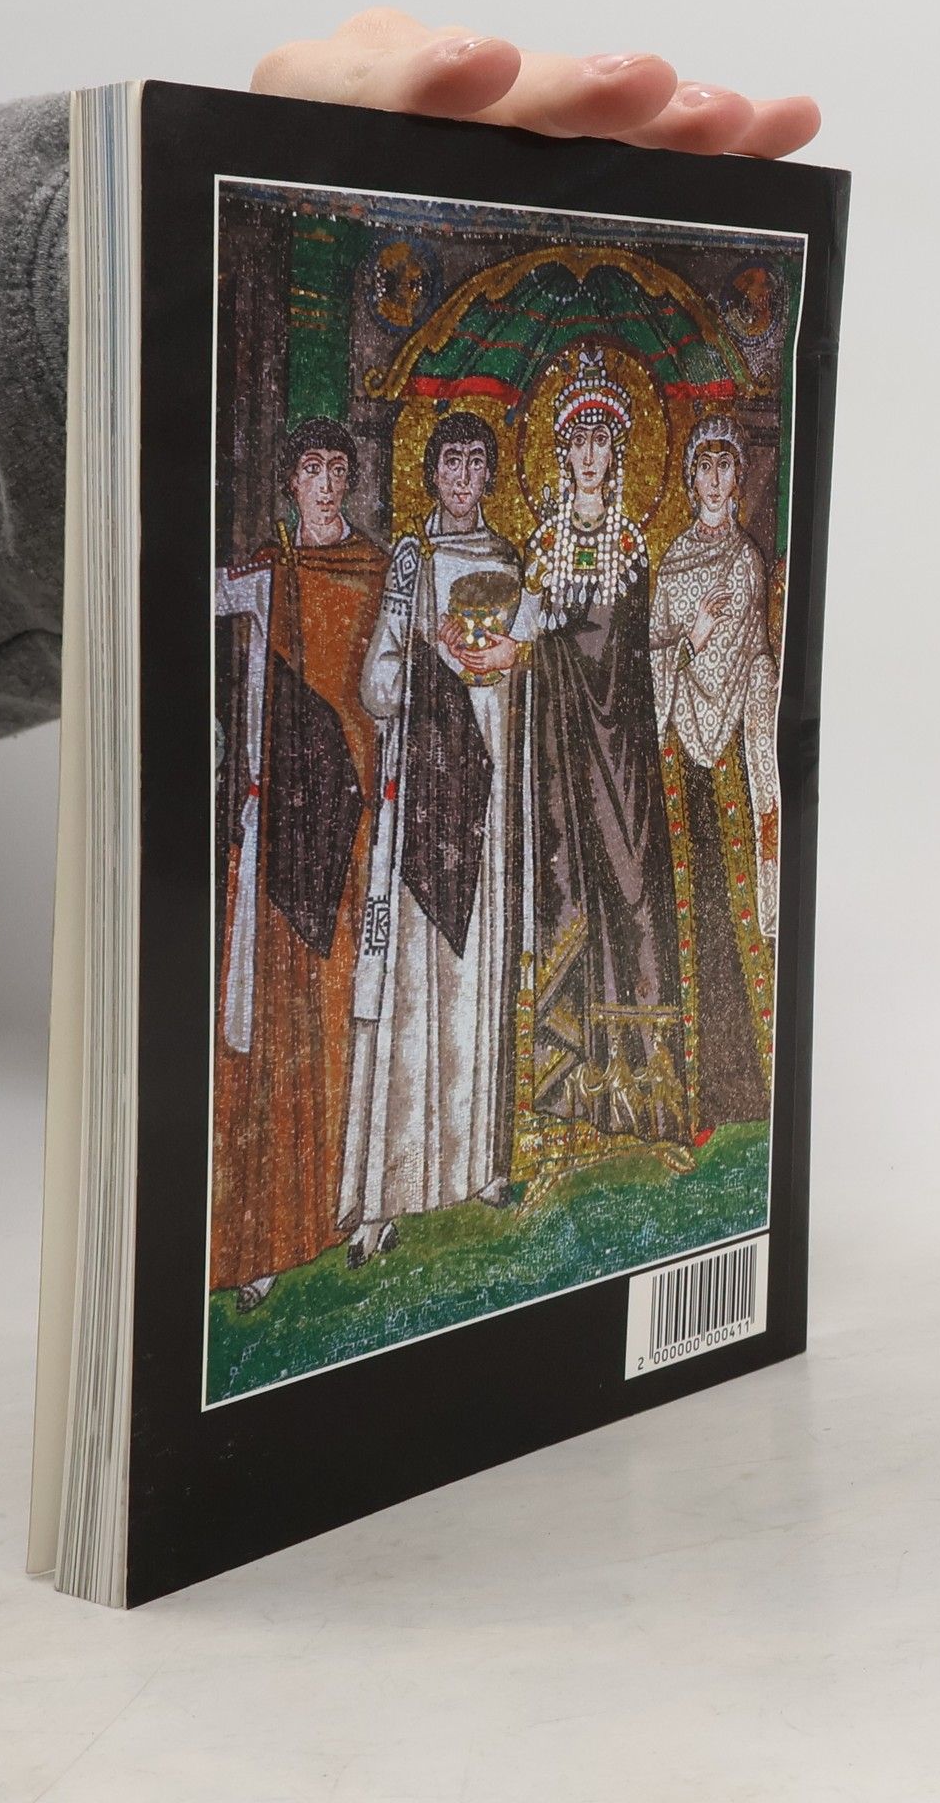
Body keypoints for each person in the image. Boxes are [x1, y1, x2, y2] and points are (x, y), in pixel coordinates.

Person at [0, 10, 819, 853]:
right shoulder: (414, 558)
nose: (579, 463)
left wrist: (97, 338)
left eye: (600, 450)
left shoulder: (591, 541)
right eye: (560, 446)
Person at [338, 410, 534, 1265]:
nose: (462, 475)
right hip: (424, 797)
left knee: (474, 974)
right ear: (433, 472)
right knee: (414, 987)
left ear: (489, 474)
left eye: (475, 461)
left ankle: (476, 1163)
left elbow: (525, 678)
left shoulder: (509, 564)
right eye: (450, 460)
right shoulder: (413, 562)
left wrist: (508, 662)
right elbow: (377, 685)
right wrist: (435, 656)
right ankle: (388, 1193)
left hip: (483, 797)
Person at [212, 420, 387, 1307]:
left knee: (347, 1012)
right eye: (311, 469)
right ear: (289, 481)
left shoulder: (377, 570)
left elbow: (398, 685)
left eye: (338, 469)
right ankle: (268, 1231)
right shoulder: (266, 572)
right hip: (280, 828)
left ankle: (348, 1203)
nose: (325, 483)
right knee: (272, 1025)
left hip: (352, 827)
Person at [514, 349, 687, 1146]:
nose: (589, 454)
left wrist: (565, 635)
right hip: (565, 753)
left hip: (623, 757)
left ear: (618, 453)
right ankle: (571, 1089)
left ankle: (643, 1083)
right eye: (578, 440)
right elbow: (532, 641)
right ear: (563, 452)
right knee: (568, 887)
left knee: (633, 886)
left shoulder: (630, 544)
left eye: (601, 440)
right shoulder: (545, 543)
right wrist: (536, 634)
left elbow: (630, 652)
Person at [647, 414, 781, 1128]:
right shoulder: (673, 559)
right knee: (687, 908)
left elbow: (732, 654)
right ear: (689, 477)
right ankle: (692, 1090)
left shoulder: (744, 561)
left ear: (738, 478)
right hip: (679, 754)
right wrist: (684, 640)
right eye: (703, 466)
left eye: (725, 467)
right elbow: (654, 649)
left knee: (732, 907)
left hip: (727, 752)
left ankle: (748, 1086)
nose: (714, 480)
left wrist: (692, 645)